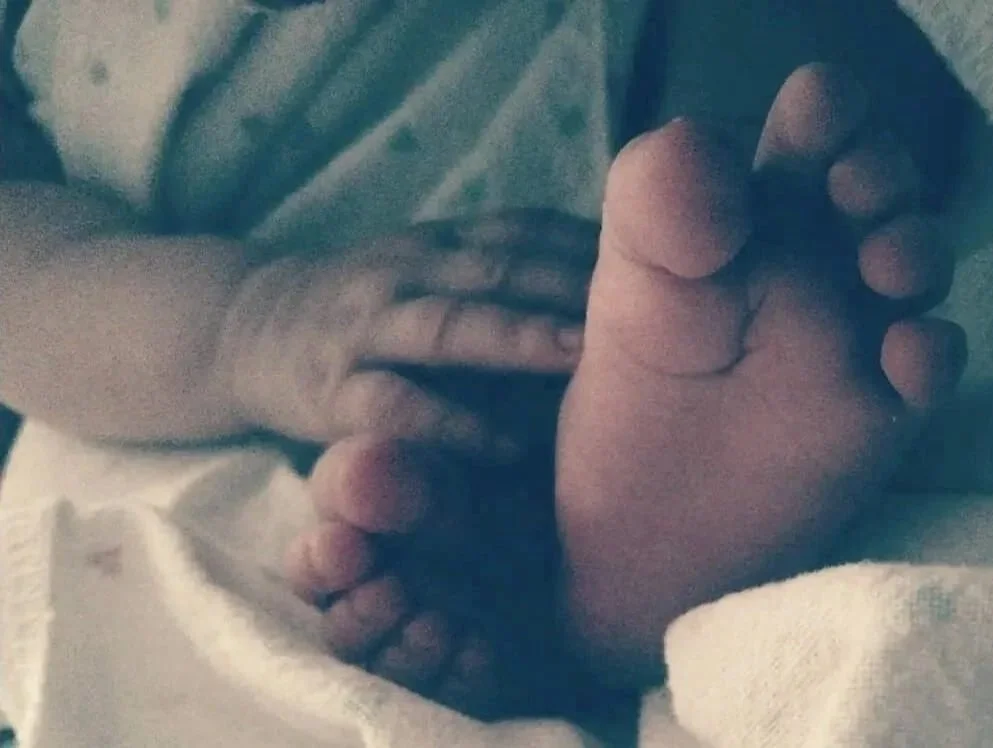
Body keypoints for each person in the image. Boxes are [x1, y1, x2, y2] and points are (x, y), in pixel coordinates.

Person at [0, 0, 968, 725]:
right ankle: (612, 542)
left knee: (770, 114)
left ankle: (724, 311)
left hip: (619, 136)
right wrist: (245, 322)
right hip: (232, 315)